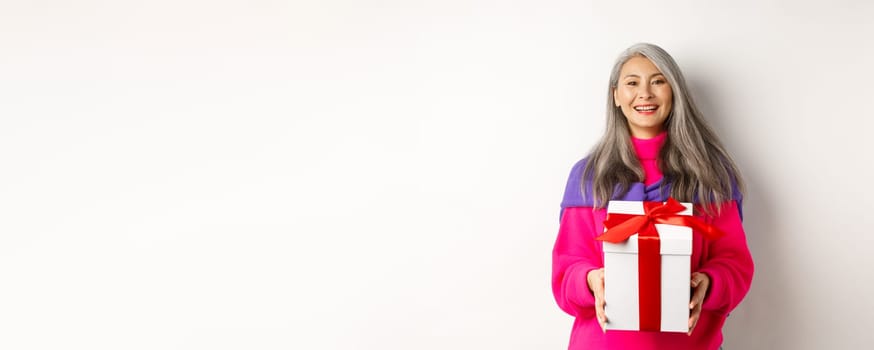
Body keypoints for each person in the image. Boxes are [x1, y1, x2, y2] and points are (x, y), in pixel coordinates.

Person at [551, 43, 754, 350]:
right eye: (632, 83)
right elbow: (567, 269)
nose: (644, 93)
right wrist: (590, 281)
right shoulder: (588, 176)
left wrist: (709, 282)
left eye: (658, 81)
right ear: (616, 95)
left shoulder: (710, 174)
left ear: (675, 93)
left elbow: (734, 262)